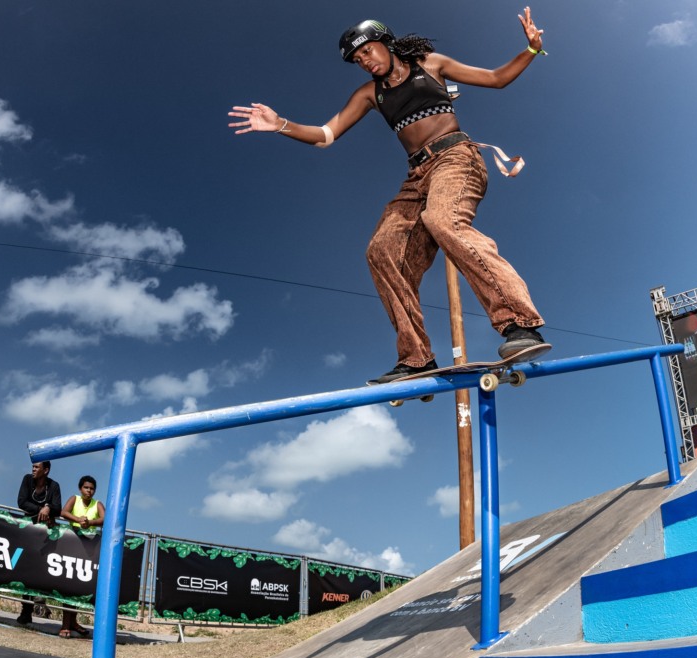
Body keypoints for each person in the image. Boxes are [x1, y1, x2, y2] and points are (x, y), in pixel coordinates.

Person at [229, 8, 550, 383]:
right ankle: (417, 358)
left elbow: (496, 79)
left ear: (386, 42)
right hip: (417, 176)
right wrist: (280, 124)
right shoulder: (370, 94)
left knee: (442, 220)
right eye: (357, 60)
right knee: (382, 251)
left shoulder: (430, 64)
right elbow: (326, 135)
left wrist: (531, 49)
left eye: (367, 51)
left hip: (456, 158)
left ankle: (519, 323)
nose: (365, 62)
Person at [58, 475, 106, 639]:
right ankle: (65, 625)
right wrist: (78, 520)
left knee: (79, 587)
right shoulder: (74, 499)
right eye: (86, 487)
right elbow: (64, 512)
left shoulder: (97, 504)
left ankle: (73, 622)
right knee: (68, 586)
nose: (89, 491)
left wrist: (90, 523)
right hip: (72, 546)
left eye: (92, 488)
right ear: (80, 488)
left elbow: (105, 518)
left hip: (88, 550)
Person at [15, 460, 62, 625]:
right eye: (33, 466)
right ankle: (26, 610)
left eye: (37, 467)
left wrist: (49, 508)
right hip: (28, 532)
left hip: (46, 537)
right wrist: (41, 509)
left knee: (41, 571)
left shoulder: (54, 486)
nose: (33, 469)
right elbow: (21, 501)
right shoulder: (27, 479)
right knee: (25, 570)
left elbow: (58, 508)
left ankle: (40, 605)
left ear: (46, 470)